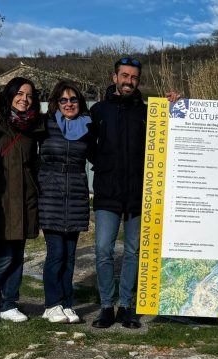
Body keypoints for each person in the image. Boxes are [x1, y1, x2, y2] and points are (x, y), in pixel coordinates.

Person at [89, 58, 181, 329]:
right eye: (124, 76)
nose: (129, 81)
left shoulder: (149, 111)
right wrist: (104, 166)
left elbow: (174, 131)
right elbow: (87, 145)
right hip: (107, 193)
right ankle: (107, 306)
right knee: (103, 249)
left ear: (138, 81)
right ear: (115, 76)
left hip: (140, 194)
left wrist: (176, 105)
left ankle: (126, 306)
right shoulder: (99, 110)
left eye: (134, 78)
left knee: (133, 251)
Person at [0, 77, 44, 325]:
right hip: (1, 198)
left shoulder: (33, 127)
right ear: (9, 95)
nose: (24, 99)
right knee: (4, 255)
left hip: (25, 198)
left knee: (18, 255)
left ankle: (9, 303)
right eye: (19, 93)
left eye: (29, 95)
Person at [39, 80, 96, 324]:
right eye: (64, 100)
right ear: (56, 102)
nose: (69, 104)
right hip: (50, 195)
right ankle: (52, 304)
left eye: (73, 99)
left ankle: (67, 304)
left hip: (75, 195)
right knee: (56, 253)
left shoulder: (87, 126)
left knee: (70, 256)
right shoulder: (46, 124)